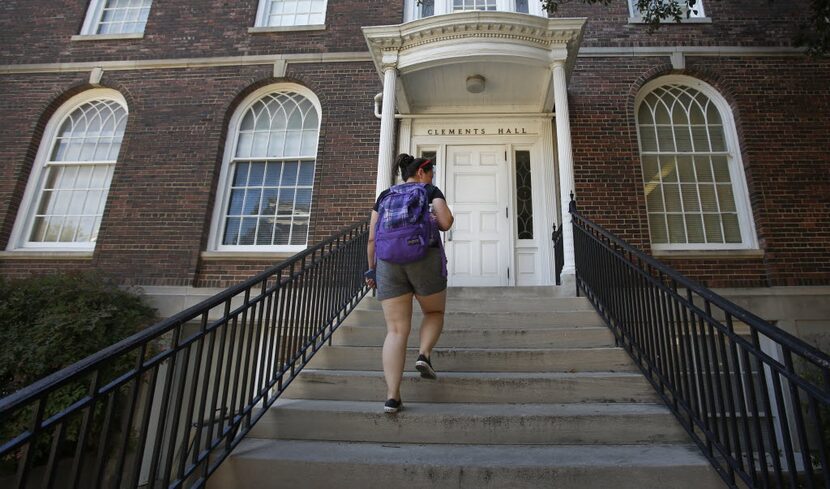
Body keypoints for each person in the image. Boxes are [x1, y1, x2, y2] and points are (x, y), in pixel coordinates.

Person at [365, 153, 454, 413]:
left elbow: (371, 238)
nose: (432, 177)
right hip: (424, 256)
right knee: (434, 311)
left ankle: (392, 397)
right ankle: (424, 354)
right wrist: (436, 219)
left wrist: (371, 271)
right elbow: (446, 223)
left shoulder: (384, 196)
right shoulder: (429, 190)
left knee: (395, 330)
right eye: (431, 173)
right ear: (422, 173)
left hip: (388, 263)